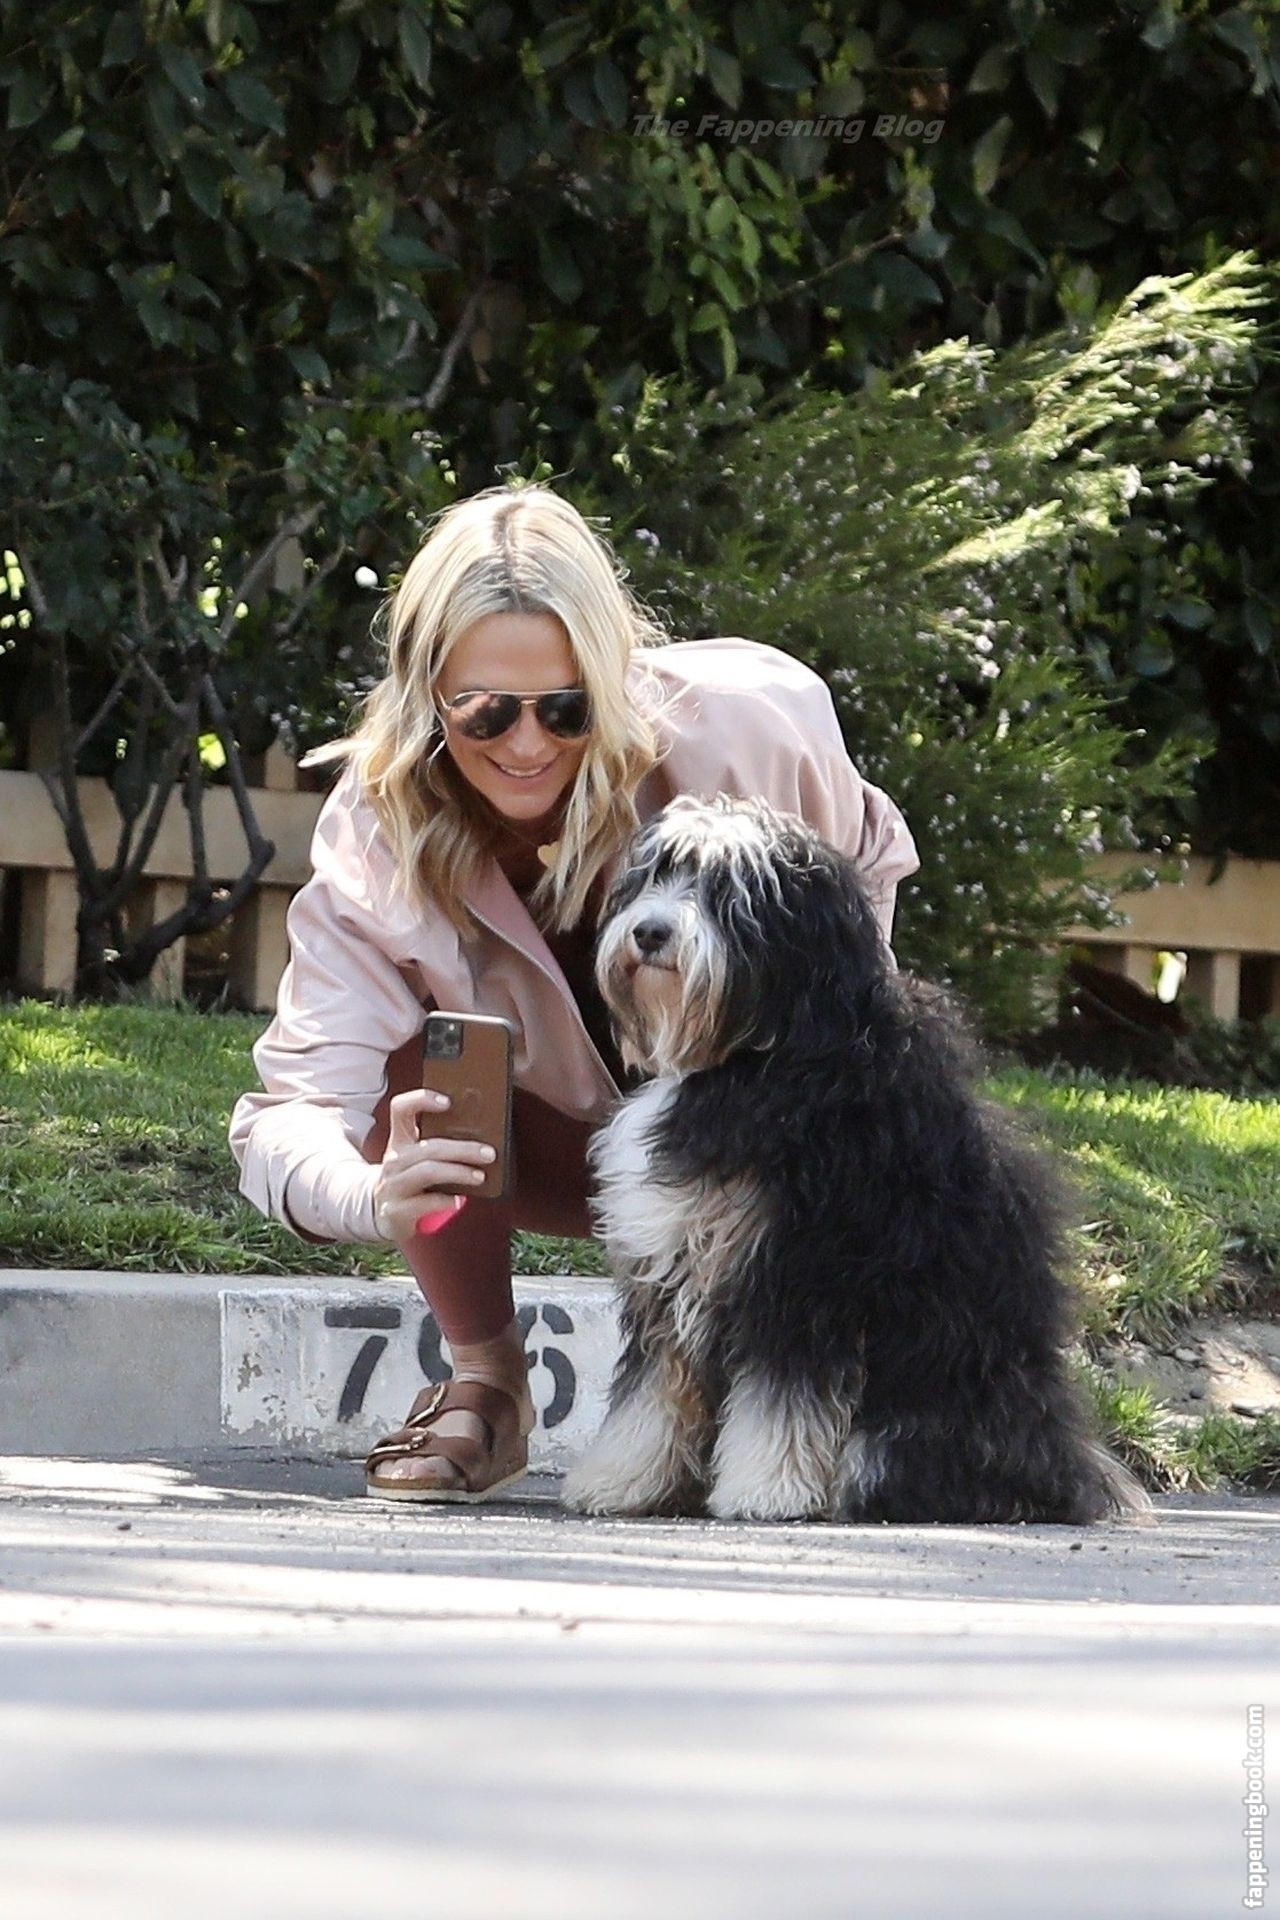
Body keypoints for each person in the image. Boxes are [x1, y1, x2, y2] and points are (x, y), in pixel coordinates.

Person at [228, 483, 920, 1501]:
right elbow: (294, 1110)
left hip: (761, 1138)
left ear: (611, 679)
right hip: (545, 1154)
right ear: (426, 696)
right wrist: (370, 1195)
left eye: (566, 708)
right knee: (419, 1060)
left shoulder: (753, 735)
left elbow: (857, 997)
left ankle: (805, 1400)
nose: (526, 744)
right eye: (483, 711)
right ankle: (486, 1378)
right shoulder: (376, 837)